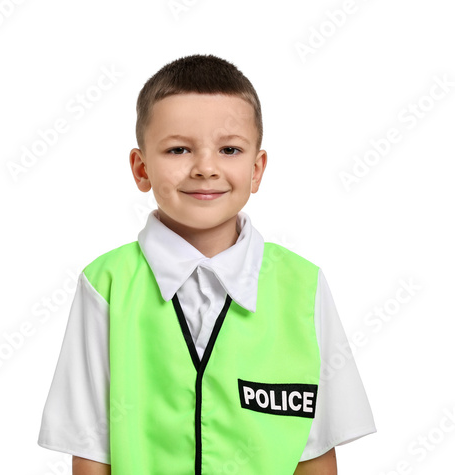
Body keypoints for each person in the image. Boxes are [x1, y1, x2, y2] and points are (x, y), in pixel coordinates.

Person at [38, 54, 376, 475]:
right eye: (178, 149)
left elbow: (316, 448)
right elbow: (90, 448)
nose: (205, 168)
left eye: (229, 149)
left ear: (256, 170)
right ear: (141, 169)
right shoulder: (106, 284)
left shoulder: (302, 286)